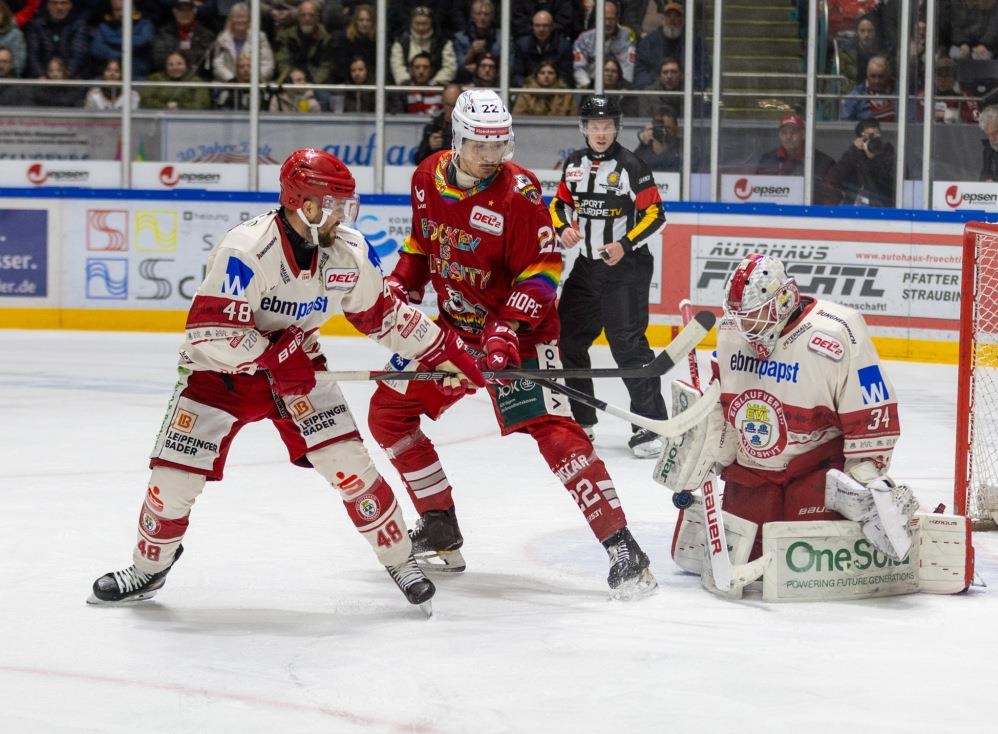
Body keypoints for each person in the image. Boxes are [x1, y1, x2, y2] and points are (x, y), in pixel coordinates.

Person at [87, 148, 485, 610]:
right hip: (219, 379)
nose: (344, 214)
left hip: (300, 372)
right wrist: (273, 355)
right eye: (335, 204)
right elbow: (208, 331)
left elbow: (384, 315)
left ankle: (400, 561)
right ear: (307, 205)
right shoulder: (247, 249)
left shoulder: (347, 251)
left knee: (352, 468)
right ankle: (148, 570)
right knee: (171, 484)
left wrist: (446, 352)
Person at [366, 88, 658, 600]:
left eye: (500, 146)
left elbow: (545, 270)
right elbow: (420, 245)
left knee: (555, 432)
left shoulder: (519, 193)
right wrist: (402, 286)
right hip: (452, 333)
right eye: (481, 146)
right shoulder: (424, 177)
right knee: (388, 413)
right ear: (457, 139)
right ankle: (439, 524)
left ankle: (622, 548)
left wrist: (506, 329)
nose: (491, 156)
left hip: (522, 333)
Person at [698, 252, 902, 561]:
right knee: (746, 554)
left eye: (753, 314)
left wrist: (864, 480)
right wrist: (709, 455)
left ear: (783, 300)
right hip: (755, 471)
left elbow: (871, 410)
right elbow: (721, 406)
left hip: (814, 468)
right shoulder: (730, 331)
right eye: (739, 315)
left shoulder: (836, 331)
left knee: (807, 556)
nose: (744, 325)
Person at [549, 94, 669, 458]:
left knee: (628, 347)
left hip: (625, 269)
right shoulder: (573, 164)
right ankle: (583, 421)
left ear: (617, 128)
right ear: (584, 129)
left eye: (607, 127)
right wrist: (562, 228)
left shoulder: (632, 166)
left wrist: (625, 244)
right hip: (586, 269)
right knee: (568, 340)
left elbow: (655, 216)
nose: (601, 133)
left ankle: (649, 427)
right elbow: (559, 203)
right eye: (594, 126)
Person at [755, 113, 838, 205]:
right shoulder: (767, 159)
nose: (788, 137)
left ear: (803, 134)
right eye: (784, 133)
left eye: (793, 132)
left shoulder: (824, 163)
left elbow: (831, 200)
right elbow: (756, 191)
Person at [633, 1, 709, 91]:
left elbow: (704, 70)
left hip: (685, 93)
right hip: (655, 95)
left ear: (683, 20)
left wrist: (685, 81)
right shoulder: (648, 42)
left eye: (676, 16)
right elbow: (640, 72)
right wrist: (658, 82)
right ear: (663, 20)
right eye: (669, 16)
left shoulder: (695, 42)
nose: (672, 20)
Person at [825, 117, 895, 207]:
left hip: (881, 212)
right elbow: (833, 179)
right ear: (861, 139)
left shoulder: (888, 155)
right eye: (870, 137)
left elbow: (889, 185)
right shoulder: (855, 156)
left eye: (876, 137)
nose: (873, 141)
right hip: (853, 212)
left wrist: (874, 158)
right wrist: (854, 151)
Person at [572, 0, 635, 89]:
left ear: (617, 18)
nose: (607, 23)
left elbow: (628, 70)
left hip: (617, 89)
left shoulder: (627, 36)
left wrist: (621, 92)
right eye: (604, 19)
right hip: (590, 87)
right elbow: (578, 68)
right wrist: (590, 87)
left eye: (611, 19)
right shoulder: (584, 39)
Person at [210, 1, 275, 84]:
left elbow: (267, 63)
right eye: (237, 17)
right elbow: (218, 64)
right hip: (230, 84)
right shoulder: (222, 38)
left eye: (243, 17)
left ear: (249, 19)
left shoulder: (260, 37)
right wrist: (232, 79)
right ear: (231, 19)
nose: (240, 20)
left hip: (256, 83)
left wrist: (256, 79)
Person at [24, 0, 90, 80]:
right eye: (54, 3)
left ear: (70, 5)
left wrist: (66, 75)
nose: (59, 7)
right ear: (48, 5)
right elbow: (32, 54)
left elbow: (79, 54)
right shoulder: (36, 25)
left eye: (63, 3)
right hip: (41, 78)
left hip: (71, 79)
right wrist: (40, 75)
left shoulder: (78, 25)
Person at [510, 8, 573, 87]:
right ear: (532, 26)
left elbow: (566, 75)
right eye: (537, 25)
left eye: (545, 26)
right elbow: (517, 74)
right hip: (529, 90)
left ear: (552, 26)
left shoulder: (564, 45)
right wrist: (530, 86)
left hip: (556, 90)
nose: (541, 29)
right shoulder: (522, 44)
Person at [151, 0, 215, 77]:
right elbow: (159, 58)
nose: (184, 14)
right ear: (174, 12)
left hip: (198, 78)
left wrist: (184, 63)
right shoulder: (164, 33)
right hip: (169, 77)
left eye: (188, 11)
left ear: (194, 12)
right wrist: (177, 64)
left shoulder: (206, 35)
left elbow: (208, 61)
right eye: (181, 11)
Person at [139, 50, 211, 109]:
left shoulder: (196, 81)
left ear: (186, 65)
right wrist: (164, 106)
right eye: (171, 64)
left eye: (179, 64)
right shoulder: (155, 78)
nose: (175, 68)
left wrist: (179, 106)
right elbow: (145, 99)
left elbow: (202, 103)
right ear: (165, 66)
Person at [412, 82, 460, 164]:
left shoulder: (472, 127)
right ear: (442, 103)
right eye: (448, 105)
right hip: (438, 173)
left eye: (455, 105)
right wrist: (429, 147)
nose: (452, 110)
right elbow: (418, 160)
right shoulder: (433, 127)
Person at [511, 59, 576, 116]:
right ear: (536, 76)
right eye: (542, 73)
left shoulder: (566, 93)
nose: (546, 76)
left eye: (550, 73)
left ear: (556, 76)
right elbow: (518, 116)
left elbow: (573, 118)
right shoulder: (526, 92)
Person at [841, 54, 896, 121]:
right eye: (873, 76)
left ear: (888, 76)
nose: (877, 81)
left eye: (881, 77)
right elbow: (846, 125)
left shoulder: (899, 93)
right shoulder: (855, 97)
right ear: (867, 76)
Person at [633, 107, 682, 172]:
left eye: (668, 128)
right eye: (660, 128)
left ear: (676, 129)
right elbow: (633, 168)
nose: (664, 131)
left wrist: (664, 147)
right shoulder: (645, 148)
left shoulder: (683, 147)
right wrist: (643, 144)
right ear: (653, 128)